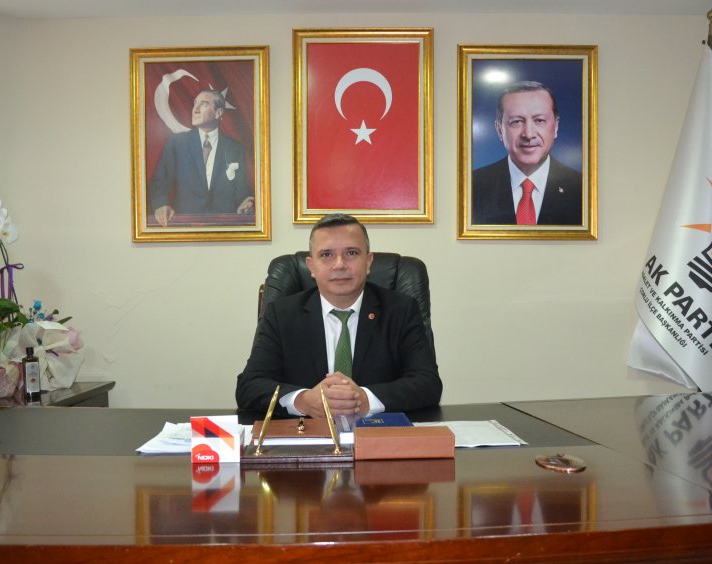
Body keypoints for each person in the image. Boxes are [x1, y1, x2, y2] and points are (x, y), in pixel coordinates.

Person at [235, 214, 442, 419]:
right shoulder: (282, 314)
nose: (340, 264)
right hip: (307, 433)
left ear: (368, 262)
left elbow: (428, 383)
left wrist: (365, 399)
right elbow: (249, 386)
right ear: (311, 266)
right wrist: (303, 401)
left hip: (377, 432)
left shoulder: (401, 310)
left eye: (351, 253)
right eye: (326, 255)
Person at [471, 81, 582, 226]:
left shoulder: (582, 189)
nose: (529, 134)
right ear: (499, 130)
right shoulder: (472, 186)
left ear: (556, 127)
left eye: (540, 120)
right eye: (517, 121)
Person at [148, 88, 254, 226]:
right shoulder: (176, 143)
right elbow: (159, 183)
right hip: (185, 226)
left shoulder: (235, 148)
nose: (195, 109)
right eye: (195, 103)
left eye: (203, 104)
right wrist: (161, 205)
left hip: (223, 227)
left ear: (218, 112)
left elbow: (242, 189)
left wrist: (246, 202)